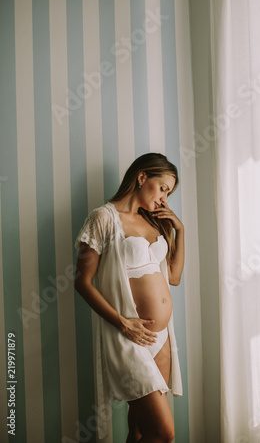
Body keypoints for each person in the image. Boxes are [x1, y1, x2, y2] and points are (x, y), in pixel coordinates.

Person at [74, 152, 184, 443]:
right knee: (164, 433)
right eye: (162, 188)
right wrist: (124, 324)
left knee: (139, 429)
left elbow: (173, 277)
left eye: (168, 193)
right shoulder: (104, 218)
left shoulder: (154, 223)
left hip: (160, 338)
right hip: (129, 335)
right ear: (142, 177)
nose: (163, 198)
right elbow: (82, 282)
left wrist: (180, 230)